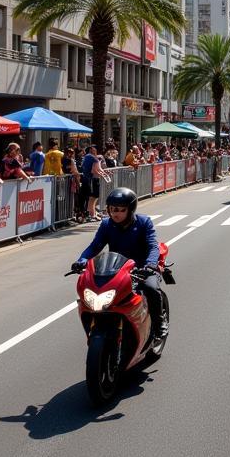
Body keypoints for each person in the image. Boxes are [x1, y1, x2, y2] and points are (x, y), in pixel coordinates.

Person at [72, 187, 166, 337]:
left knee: (151, 289)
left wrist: (150, 264)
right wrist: (82, 260)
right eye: (113, 209)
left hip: (142, 268)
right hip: (116, 269)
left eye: (121, 210)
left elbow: (153, 246)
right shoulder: (106, 225)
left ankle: (159, 323)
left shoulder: (144, 222)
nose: (116, 213)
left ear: (130, 210)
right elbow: (95, 246)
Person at [81, 144, 105, 219]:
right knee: (93, 197)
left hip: (89, 179)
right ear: (91, 149)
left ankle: (92, 213)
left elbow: (98, 169)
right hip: (91, 179)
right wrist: (103, 175)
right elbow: (94, 170)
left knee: (92, 197)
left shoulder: (88, 157)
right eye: (95, 148)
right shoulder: (92, 158)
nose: (96, 150)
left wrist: (104, 173)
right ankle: (91, 214)